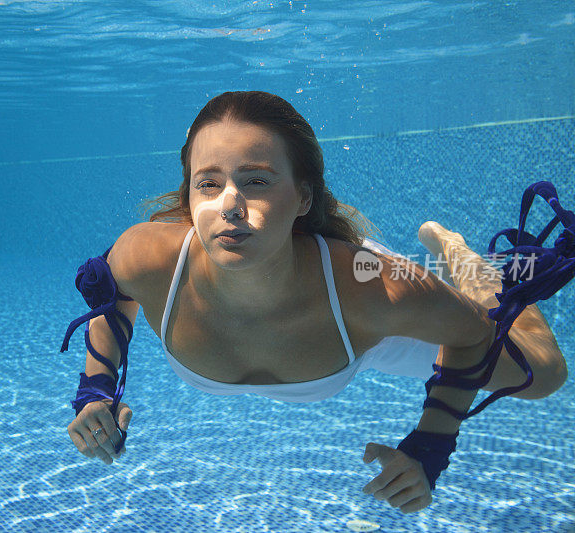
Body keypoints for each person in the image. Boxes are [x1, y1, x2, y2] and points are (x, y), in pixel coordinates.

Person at [61, 91, 571, 514]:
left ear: (304, 197)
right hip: (341, 316)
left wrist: (429, 448)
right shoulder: (148, 256)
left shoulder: (372, 288)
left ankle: (467, 261)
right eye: (208, 184)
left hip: (357, 323)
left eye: (256, 181)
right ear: (190, 196)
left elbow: (471, 335)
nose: (229, 204)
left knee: (541, 374)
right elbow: (111, 296)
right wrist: (97, 390)